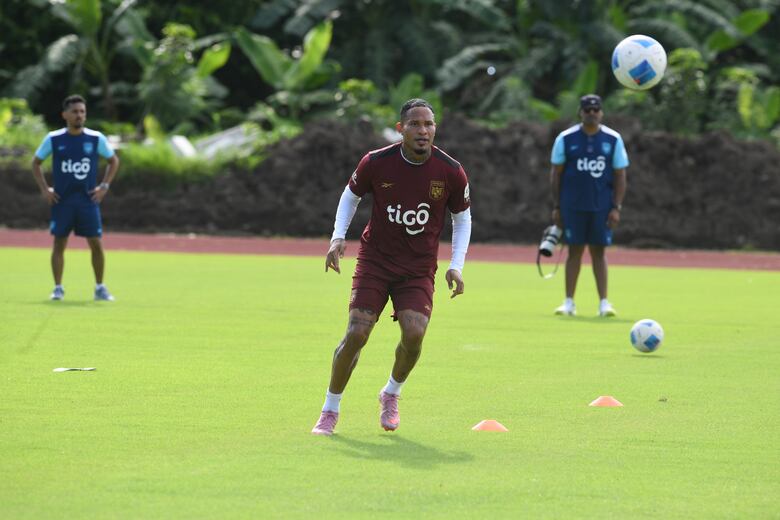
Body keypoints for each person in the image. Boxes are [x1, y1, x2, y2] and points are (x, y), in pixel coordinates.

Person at [311, 98, 472, 436]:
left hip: (417, 268)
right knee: (357, 333)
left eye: (428, 124)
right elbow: (350, 195)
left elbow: (463, 217)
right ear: (401, 130)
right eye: (415, 124)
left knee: (414, 334)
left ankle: (391, 393)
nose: (423, 130)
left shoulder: (451, 171)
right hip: (376, 262)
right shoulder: (376, 162)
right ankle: (330, 409)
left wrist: (456, 265)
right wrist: (337, 238)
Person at [31, 94, 120, 301]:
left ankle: (100, 287)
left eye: (82, 112)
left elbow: (113, 161)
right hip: (62, 202)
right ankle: (58, 288)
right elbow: (35, 163)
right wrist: (45, 189)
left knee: (96, 244)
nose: (79, 115)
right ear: (65, 115)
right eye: (75, 112)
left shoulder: (95, 138)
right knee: (59, 244)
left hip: (88, 201)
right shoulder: (53, 139)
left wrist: (104, 186)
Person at [549, 94, 628, 317]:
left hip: (601, 206)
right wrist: (557, 206)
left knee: (599, 251)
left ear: (601, 113)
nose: (592, 113)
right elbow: (556, 174)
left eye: (596, 110)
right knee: (574, 251)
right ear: (580, 113)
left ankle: (604, 303)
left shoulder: (613, 139)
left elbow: (620, 175)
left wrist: (616, 207)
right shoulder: (566, 138)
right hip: (572, 206)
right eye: (587, 110)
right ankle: (569, 302)